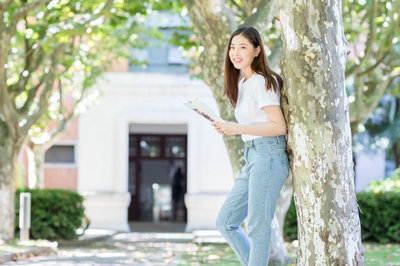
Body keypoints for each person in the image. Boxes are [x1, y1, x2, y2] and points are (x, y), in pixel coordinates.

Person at [212, 27, 289, 265]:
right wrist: (228, 127)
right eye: (232, 47)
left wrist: (237, 128)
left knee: (257, 225)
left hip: (269, 155)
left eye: (242, 47)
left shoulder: (263, 82)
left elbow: (279, 127)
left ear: (257, 51)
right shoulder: (244, 83)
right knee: (225, 221)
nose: (235, 52)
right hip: (253, 156)